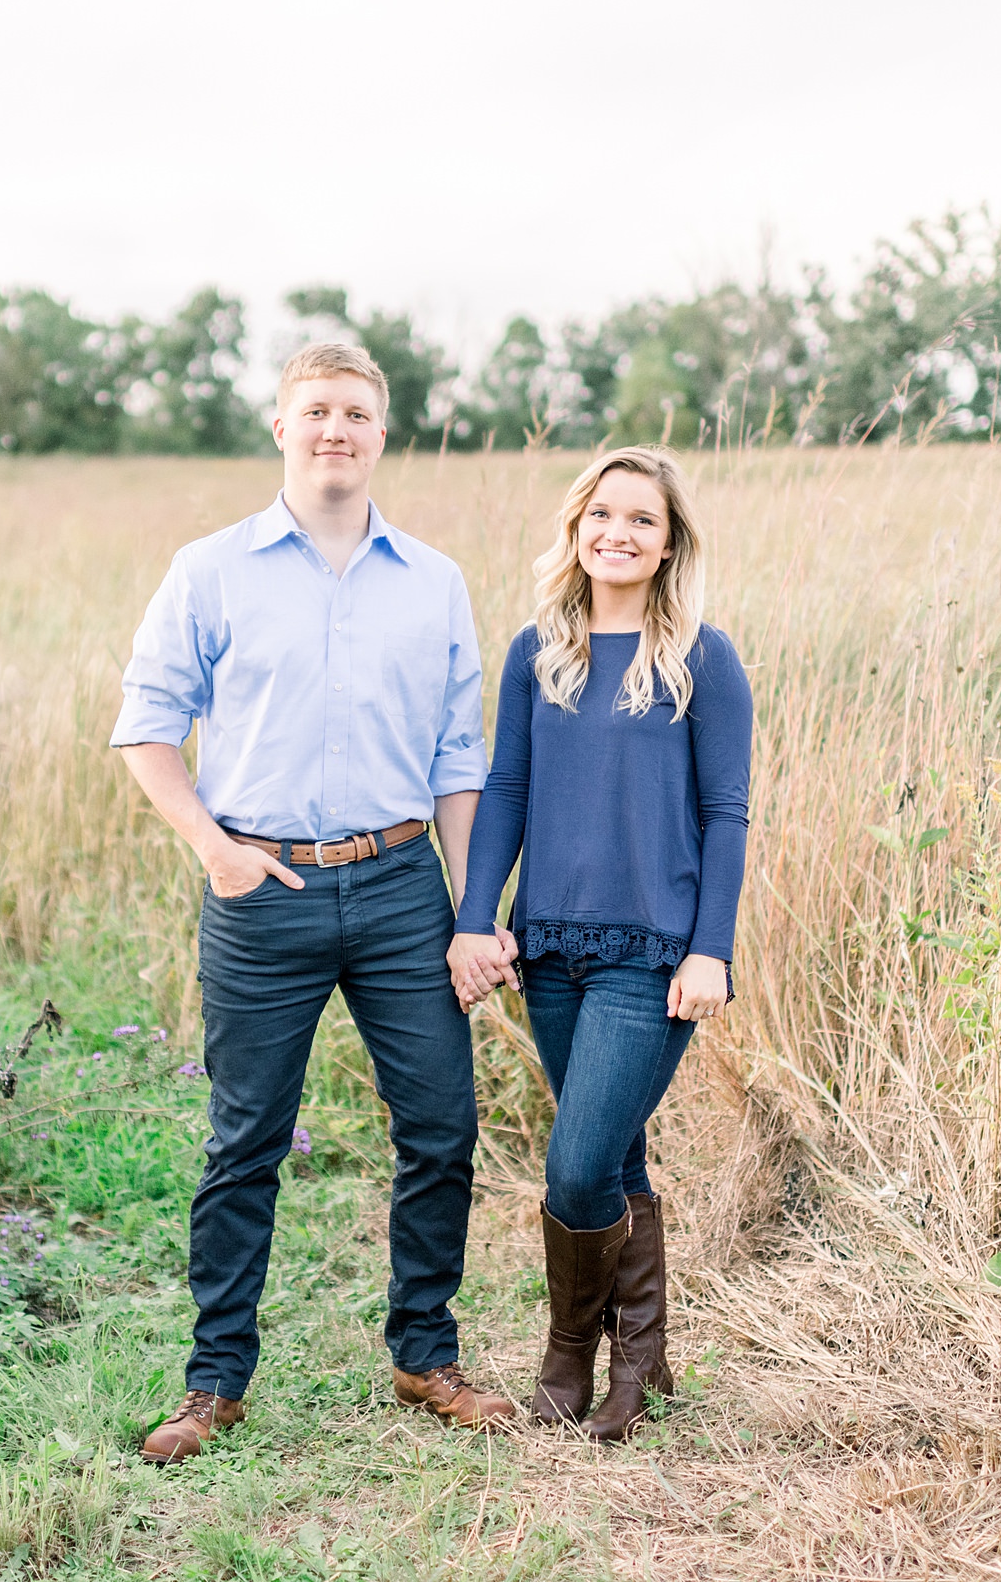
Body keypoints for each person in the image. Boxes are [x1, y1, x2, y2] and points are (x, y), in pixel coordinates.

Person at [113, 341, 516, 1466]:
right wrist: (215, 848)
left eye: (356, 413)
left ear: (382, 432)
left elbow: (456, 761)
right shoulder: (211, 569)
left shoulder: (431, 579)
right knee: (244, 1139)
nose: (335, 429)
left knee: (440, 1127)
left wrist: (474, 913)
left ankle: (423, 1354)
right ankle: (214, 1381)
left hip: (399, 886)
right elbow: (146, 726)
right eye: (316, 411)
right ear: (280, 426)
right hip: (263, 889)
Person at [448, 444, 752, 1442]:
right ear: (577, 527)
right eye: (604, 515)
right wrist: (475, 915)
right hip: (552, 949)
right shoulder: (542, 650)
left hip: (653, 954)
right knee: (615, 1159)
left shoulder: (703, 657)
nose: (619, 534)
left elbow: (724, 812)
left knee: (577, 1165)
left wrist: (711, 948)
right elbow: (507, 793)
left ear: (668, 547)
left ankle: (569, 1351)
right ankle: (645, 1362)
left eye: (643, 522)